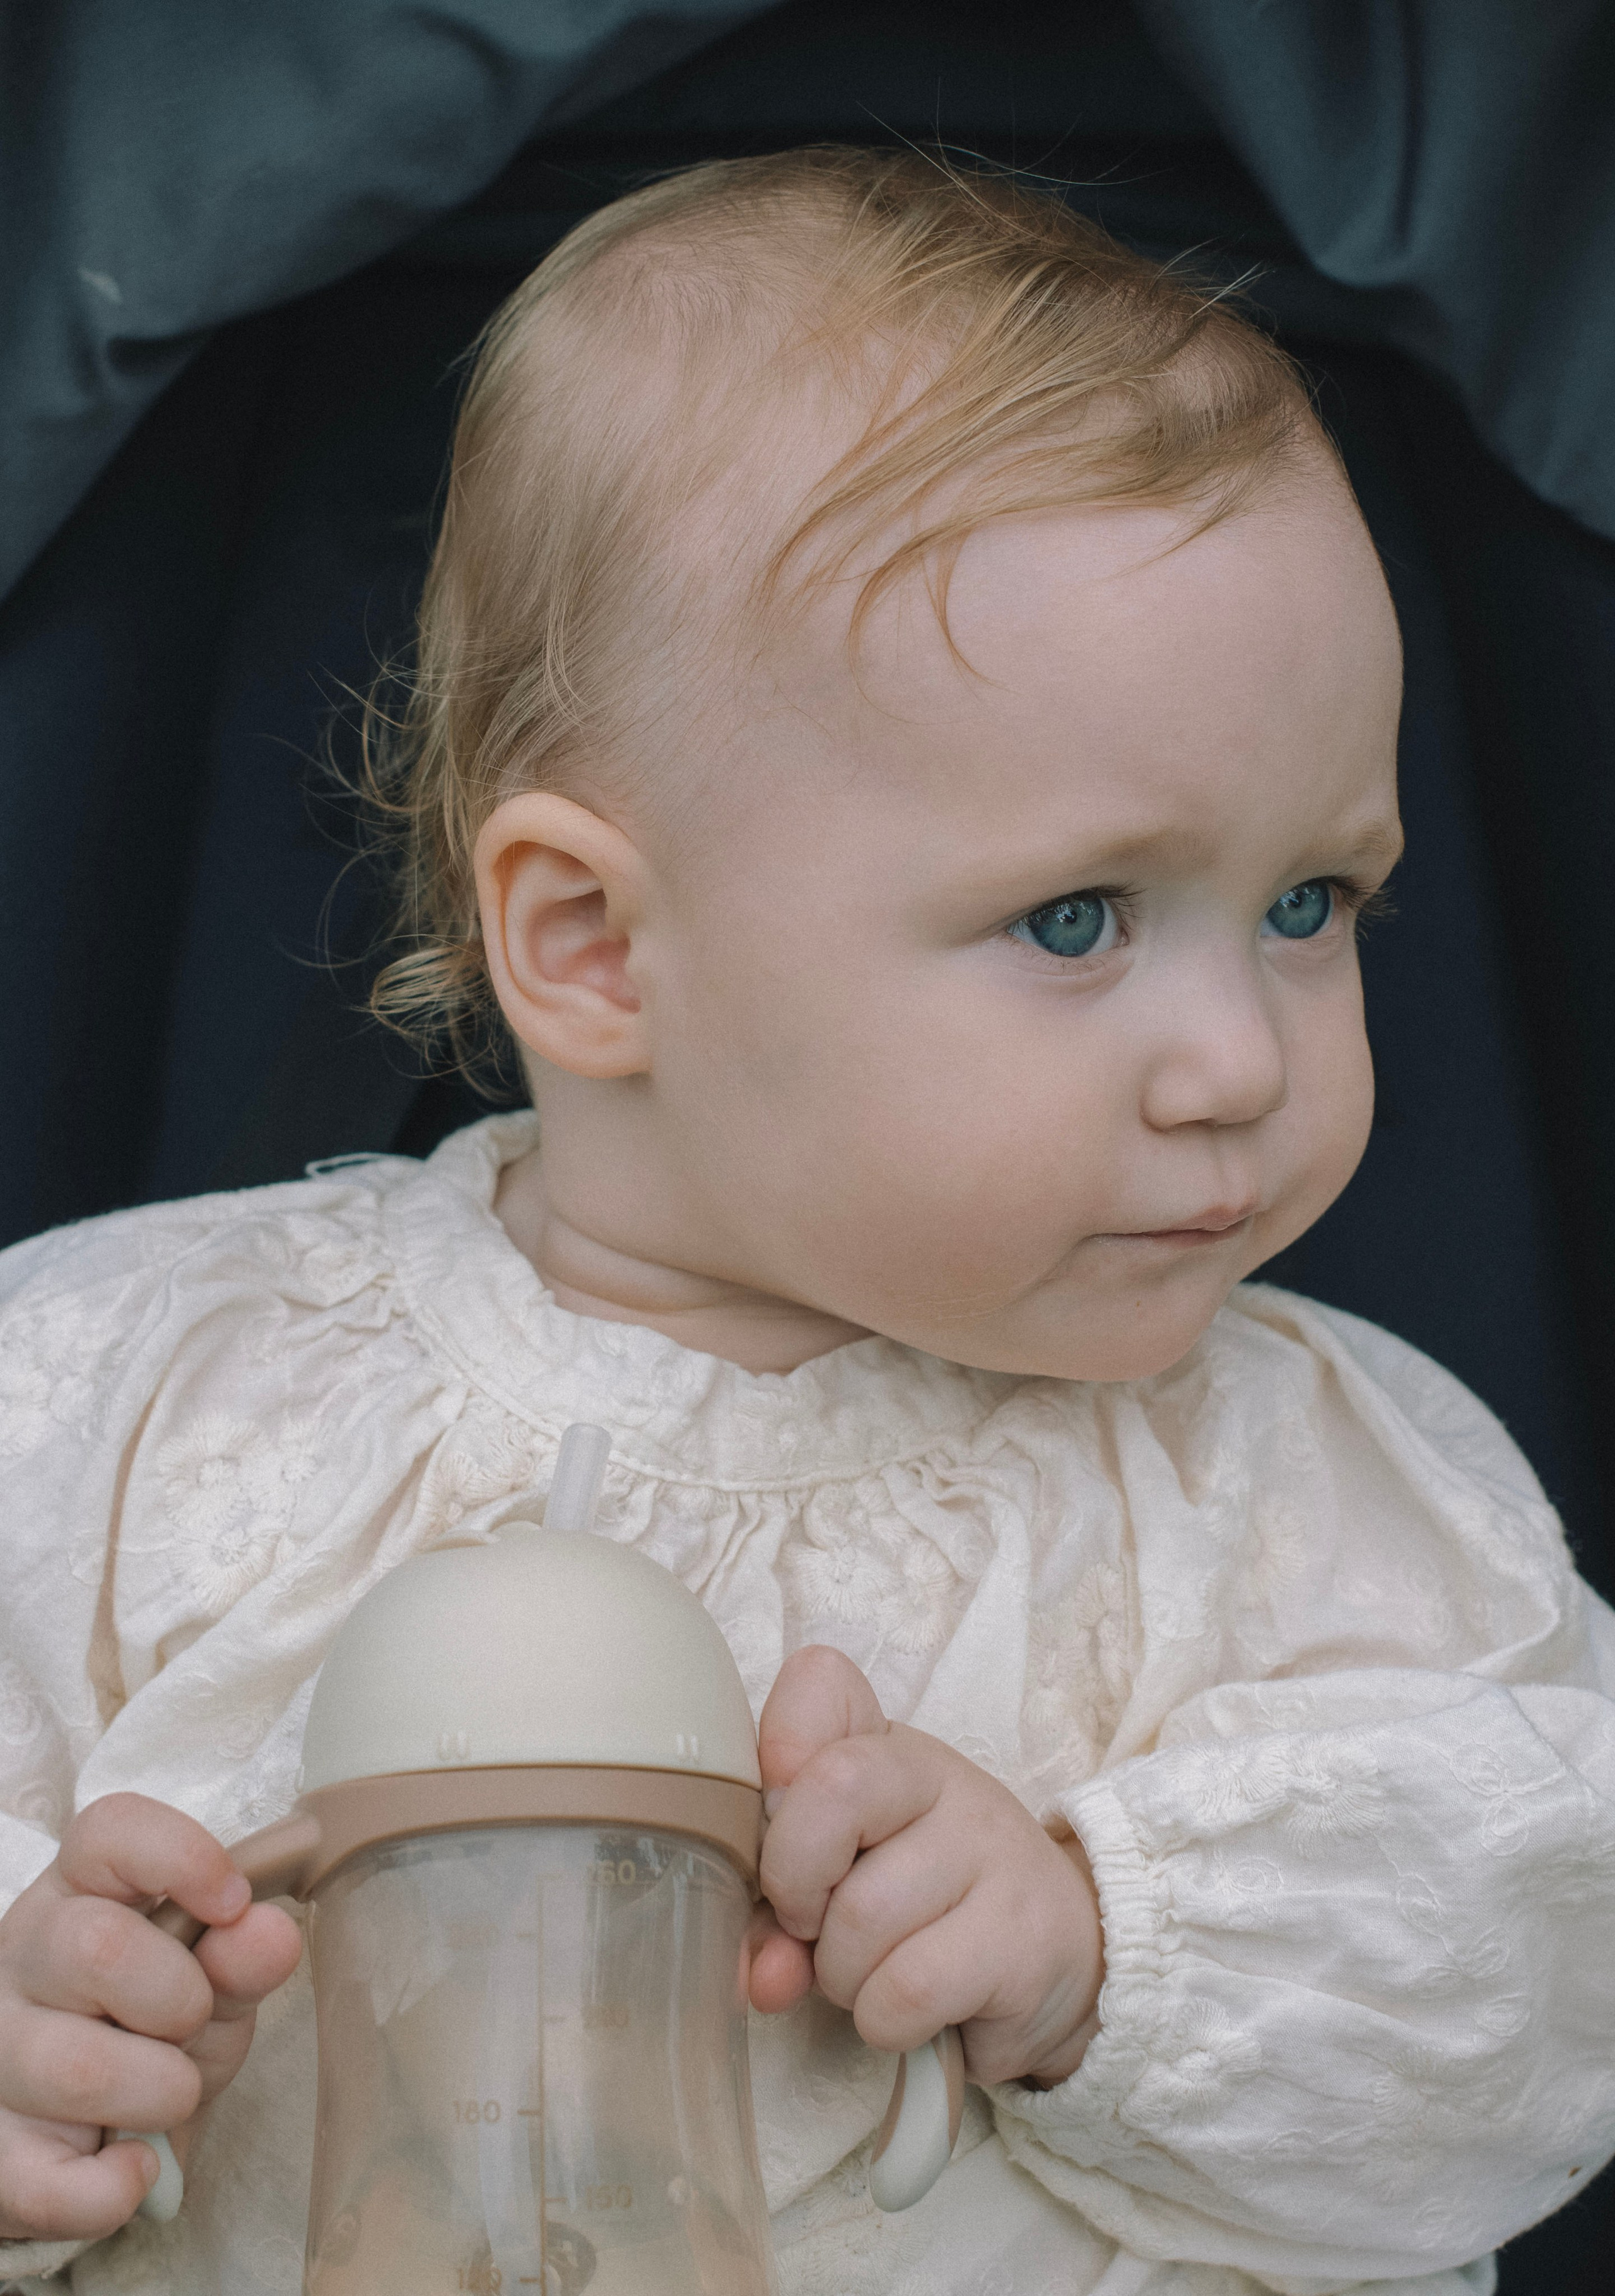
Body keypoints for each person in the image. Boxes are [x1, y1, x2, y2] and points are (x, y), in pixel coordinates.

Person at [2, 148, 1612, 2296]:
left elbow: (1540, 1957)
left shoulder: (1311, 1499)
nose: (1241, 1053)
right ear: (590, 945)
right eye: (1078, 917)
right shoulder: (131, 1412)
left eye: (1313, 904)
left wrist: (1099, 1935)